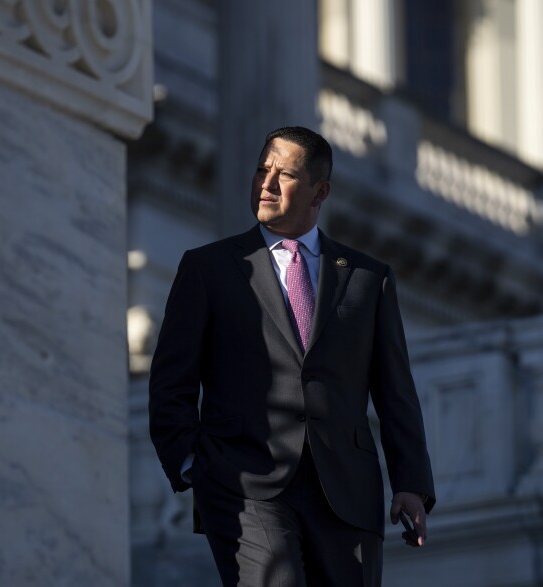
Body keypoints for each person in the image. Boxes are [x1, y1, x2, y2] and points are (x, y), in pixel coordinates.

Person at [149, 126, 435, 586]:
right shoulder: (209, 269)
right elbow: (171, 381)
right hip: (244, 482)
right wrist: (192, 464)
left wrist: (411, 483)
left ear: (319, 191)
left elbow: (395, 389)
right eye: (263, 169)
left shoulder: (368, 278)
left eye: (284, 175)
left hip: (346, 491)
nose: (266, 183)